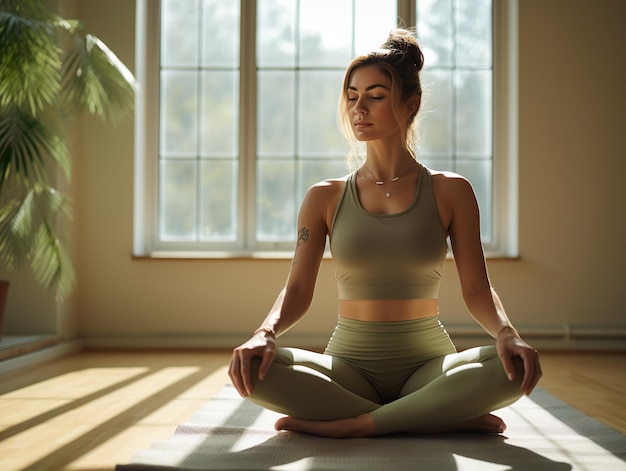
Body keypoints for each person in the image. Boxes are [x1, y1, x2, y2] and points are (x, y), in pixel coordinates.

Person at [229, 28, 542, 438]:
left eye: (375, 96)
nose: (360, 107)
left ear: (410, 105)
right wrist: (263, 333)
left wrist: (508, 334)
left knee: (514, 368)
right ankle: (436, 416)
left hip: (428, 365)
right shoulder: (324, 197)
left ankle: (357, 425)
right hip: (349, 367)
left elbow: (477, 290)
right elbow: (298, 290)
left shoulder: (452, 191)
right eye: (353, 96)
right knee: (253, 369)